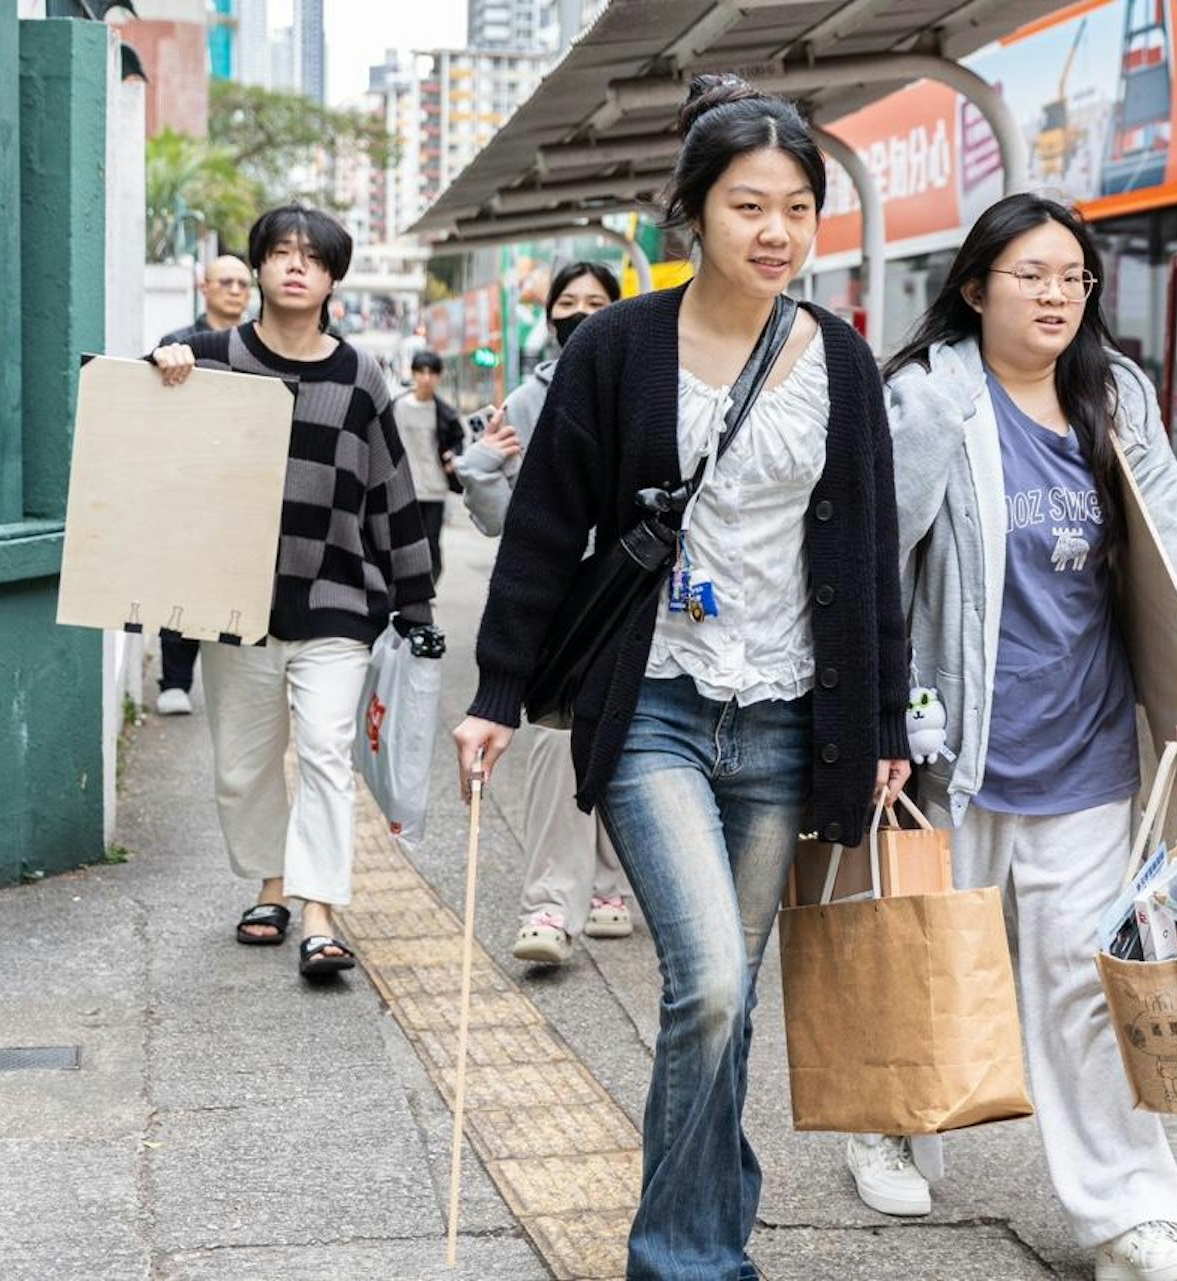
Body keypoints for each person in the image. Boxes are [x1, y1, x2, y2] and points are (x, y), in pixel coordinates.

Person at [453, 75, 911, 1279]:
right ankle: (685, 1259)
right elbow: (548, 526)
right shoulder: (614, 349)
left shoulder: (842, 362)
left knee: (731, 1002)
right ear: (693, 214)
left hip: (787, 718)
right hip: (656, 699)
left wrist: (883, 720)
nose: (777, 232)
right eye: (750, 204)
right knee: (705, 982)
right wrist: (498, 695)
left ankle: (707, 1218)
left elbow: (869, 554)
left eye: (799, 208)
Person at [867, 192, 1177, 1281]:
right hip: (962, 750)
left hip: (1086, 747)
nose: (1054, 295)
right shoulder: (932, 401)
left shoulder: (1115, 396)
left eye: (1072, 277)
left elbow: (1167, 557)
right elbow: (878, 569)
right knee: (940, 961)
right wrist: (880, 717)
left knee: (1090, 984)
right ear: (977, 286)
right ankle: (887, 1120)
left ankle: (1131, 1215)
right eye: (1030, 274)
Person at [149, 205, 437, 977]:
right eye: (280, 253)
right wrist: (167, 362)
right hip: (236, 605)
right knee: (242, 767)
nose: (295, 267)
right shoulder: (211, 356)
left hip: (338, 599)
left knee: (323, 753)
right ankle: (270, 884)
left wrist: (416, 606)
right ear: (258, 269)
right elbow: (145, 411)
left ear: (333, 276)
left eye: (312, 257)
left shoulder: (359, 375)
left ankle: (320, 911)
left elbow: (392, 494)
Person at [453, 261, 634, 964]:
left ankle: (609, 887)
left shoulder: (644, 386)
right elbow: (507, 522)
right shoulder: (526, 402)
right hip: (560, 600)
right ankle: (550, 904)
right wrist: (480, 467)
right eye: (569, 302)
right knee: (558, 743)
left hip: (630, 592)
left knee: (625, 737)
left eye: (598, 302)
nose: (582, 314)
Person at [152, 252, 254, 716]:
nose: (235, 289)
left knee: (236, 584)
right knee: (179, 583)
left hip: (242, 483)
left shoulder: (258, 343)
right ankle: (174, 682)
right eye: (225, 281)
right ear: (204, 287)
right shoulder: (176, 343)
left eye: (242, 283)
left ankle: (237, 688)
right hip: (186, 480)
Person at [392, 351, 464, 584]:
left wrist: (454, 456)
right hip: (404, 488)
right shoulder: (397, 407)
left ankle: (428, 585)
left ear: (439, 377)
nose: (426, 378)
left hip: (434, 488)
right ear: (413, 374)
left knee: (431, 541)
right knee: (404, 541)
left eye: (432, 373)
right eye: (421, 372)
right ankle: (408, 586)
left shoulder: (446, 413)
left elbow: (458, 441)